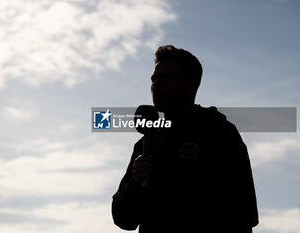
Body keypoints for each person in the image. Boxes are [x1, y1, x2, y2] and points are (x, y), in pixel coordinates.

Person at [111, 45, 259, 233]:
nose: (156, 84)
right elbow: (123, 219)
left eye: (166, 77)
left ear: (190, 86)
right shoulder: (146, 143)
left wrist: (162, 177)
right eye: (154, 79)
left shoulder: (218, 131)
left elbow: (244, 213)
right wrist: (137, 184)